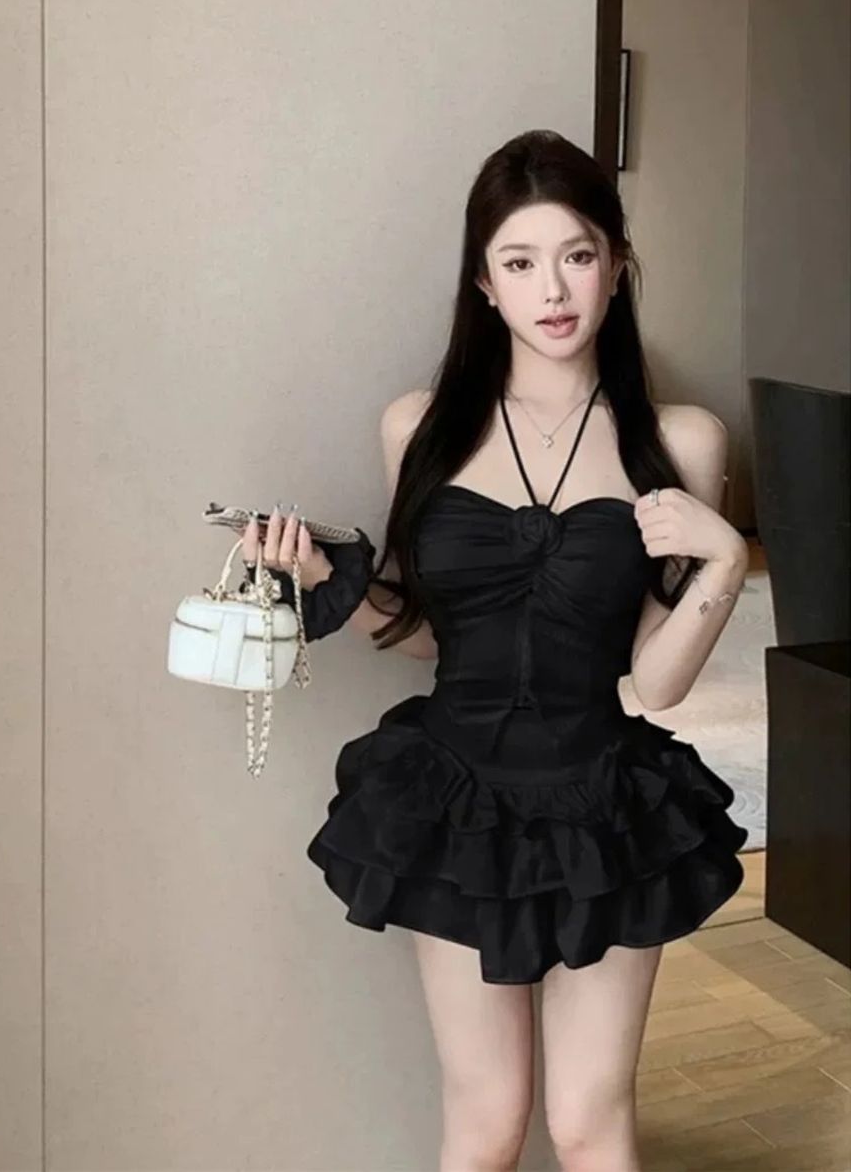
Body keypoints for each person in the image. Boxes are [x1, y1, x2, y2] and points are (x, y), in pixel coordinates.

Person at [239, 129, 750, 1172]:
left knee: (588, 1121)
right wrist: (326, 575)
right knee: (485, 1120)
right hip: (456, 797)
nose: (551, 289)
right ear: (483, 282)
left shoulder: (681, 439)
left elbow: (657, 682)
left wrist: (727, 562)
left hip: (602, 799)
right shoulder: (419, 427)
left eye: (576, 255)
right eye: (520, 262)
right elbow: (427, 634)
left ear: (616, 263)